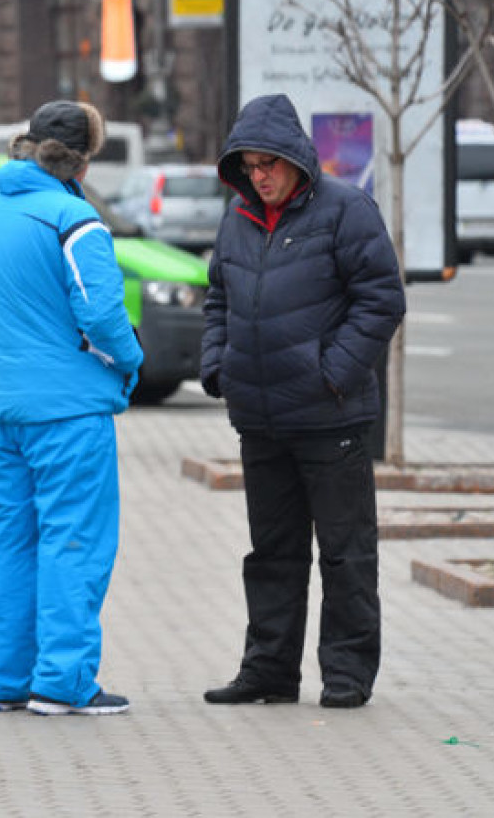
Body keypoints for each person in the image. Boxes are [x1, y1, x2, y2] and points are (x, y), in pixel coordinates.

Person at [200, 93, 405, 710]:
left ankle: (346, 674)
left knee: (345, 554)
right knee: (271, 555)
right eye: (250, 166)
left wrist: (333, 372)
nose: (260, 176)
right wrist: (217, 367)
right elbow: (218, 300)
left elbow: (381, 300)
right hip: (261, 419)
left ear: (295, 159)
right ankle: (268, 670)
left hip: (331, 417)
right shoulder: (237, 218)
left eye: (269, 164)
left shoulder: (346, 210)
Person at [0, 100, 143, 717]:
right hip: (67, 412)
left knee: (10, 539)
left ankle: (0, 681)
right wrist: (129, 361)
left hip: (1, 408)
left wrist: (11, 352)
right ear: (81, 160)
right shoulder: (74, 219)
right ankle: (63, 683)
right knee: (73, 541)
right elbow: (103, 315)